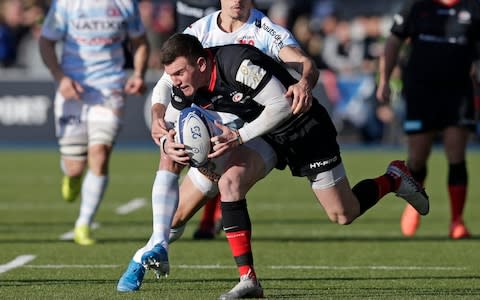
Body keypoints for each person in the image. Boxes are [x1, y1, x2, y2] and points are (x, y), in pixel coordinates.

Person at [144, 33, 429, 298]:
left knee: (343, 213)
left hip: (303, 127)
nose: (176, 82)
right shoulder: (185, 86)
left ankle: (394, 178)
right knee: (230, 183)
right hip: (266, 135)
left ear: (202, 63)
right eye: (171, 76)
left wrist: (239, 136)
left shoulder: (238, 65)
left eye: (180, 73)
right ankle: (249, 280)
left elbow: (281, 105)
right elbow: (174, 123)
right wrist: (168, 142)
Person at [117, 0, 319, 292]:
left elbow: (304, 64)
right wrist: (157, 118)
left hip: (261, 131)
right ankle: (154, 248)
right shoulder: (201, 30)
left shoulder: (264, 30)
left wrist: (305, 81)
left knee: (341, 212)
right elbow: (166, 79)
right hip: (216, 123)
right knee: (172, 167)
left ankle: (245, 278)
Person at [39, 0, 150, 245]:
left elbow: (140, 42)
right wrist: (60, 78)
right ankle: (73, 176)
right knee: (75, 167)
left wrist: (139, 74)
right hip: (73, 90)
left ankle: (84, 223)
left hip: (109, 90)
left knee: (99, 154)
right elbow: (46, 41)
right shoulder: (66, 4)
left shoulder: (124, 4)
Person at [376, 0, 480, 239]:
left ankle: (457, 221)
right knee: (418, 157)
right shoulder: (416, 6)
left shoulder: (473, 8)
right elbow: (393, 41)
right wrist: (384, 80)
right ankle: (413, 203)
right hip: (421, 92)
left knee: (456, 154)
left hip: (458, 93)